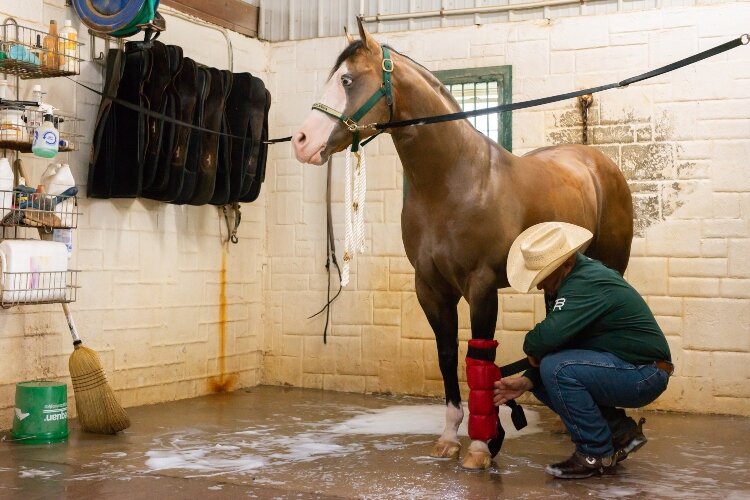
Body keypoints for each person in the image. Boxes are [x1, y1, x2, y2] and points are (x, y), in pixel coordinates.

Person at [493, 222, 672, 479]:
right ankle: (620, 433)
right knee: (545, 374)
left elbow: (546, 338)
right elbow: (558, 343)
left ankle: (595, 453)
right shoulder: (575, 280)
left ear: (565, 264)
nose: (541, 287)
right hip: (627, 367)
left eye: (543, 278)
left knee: (556, 369)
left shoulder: (585, 282)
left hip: (644, 373)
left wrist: (532, 346)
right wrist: (527, 381)